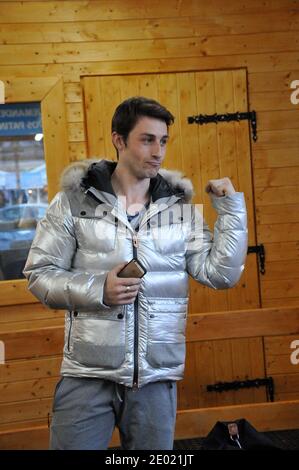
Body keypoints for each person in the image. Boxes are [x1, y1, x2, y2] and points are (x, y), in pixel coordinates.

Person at [23, 96, 247, 450]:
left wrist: (232, 210)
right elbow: (39, 273)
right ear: (119, 139)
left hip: (156, 377)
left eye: (163, 141)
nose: (158, 151)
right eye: (147, 139)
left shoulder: (179, 209)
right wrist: (99, 289)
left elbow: (221, 274)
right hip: (87, 375)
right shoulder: (74, 202)